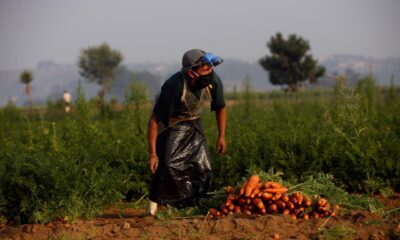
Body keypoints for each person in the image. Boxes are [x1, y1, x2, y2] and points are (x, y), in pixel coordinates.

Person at [146, 49, 227, 215]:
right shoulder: (173, 86)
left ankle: (195, 206)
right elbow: (154, 120)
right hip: (171, 124)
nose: (209, 72)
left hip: (194, 122)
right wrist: (153, 153)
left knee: (203, 167)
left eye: (210, 68)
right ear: (191, 73)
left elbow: (220, 107)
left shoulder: (212, 80)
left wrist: (222, 136)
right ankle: (155, 205)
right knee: (168, 164)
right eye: (204, 69)